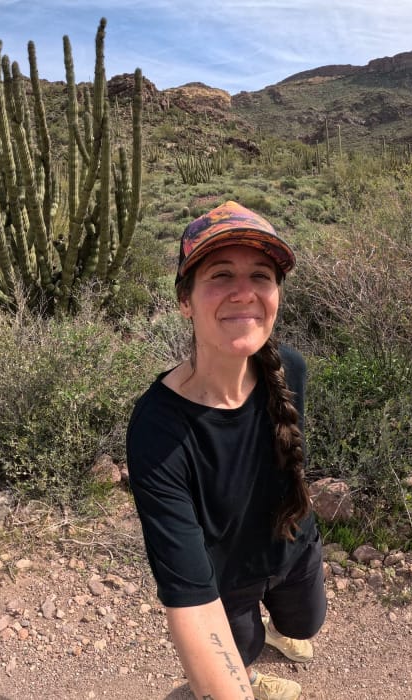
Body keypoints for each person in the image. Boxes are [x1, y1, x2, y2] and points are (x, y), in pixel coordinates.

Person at [127, 201, 326, 700]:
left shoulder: (291, 370)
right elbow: (191, 601)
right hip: (225, 583)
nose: (245, 291)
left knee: (307, 623)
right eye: (220, 274)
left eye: (262, 275)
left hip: (293, 546)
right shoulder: (158, 429)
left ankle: (277, 634)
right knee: (237, 654)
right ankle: (241, 679)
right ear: (185, 300)